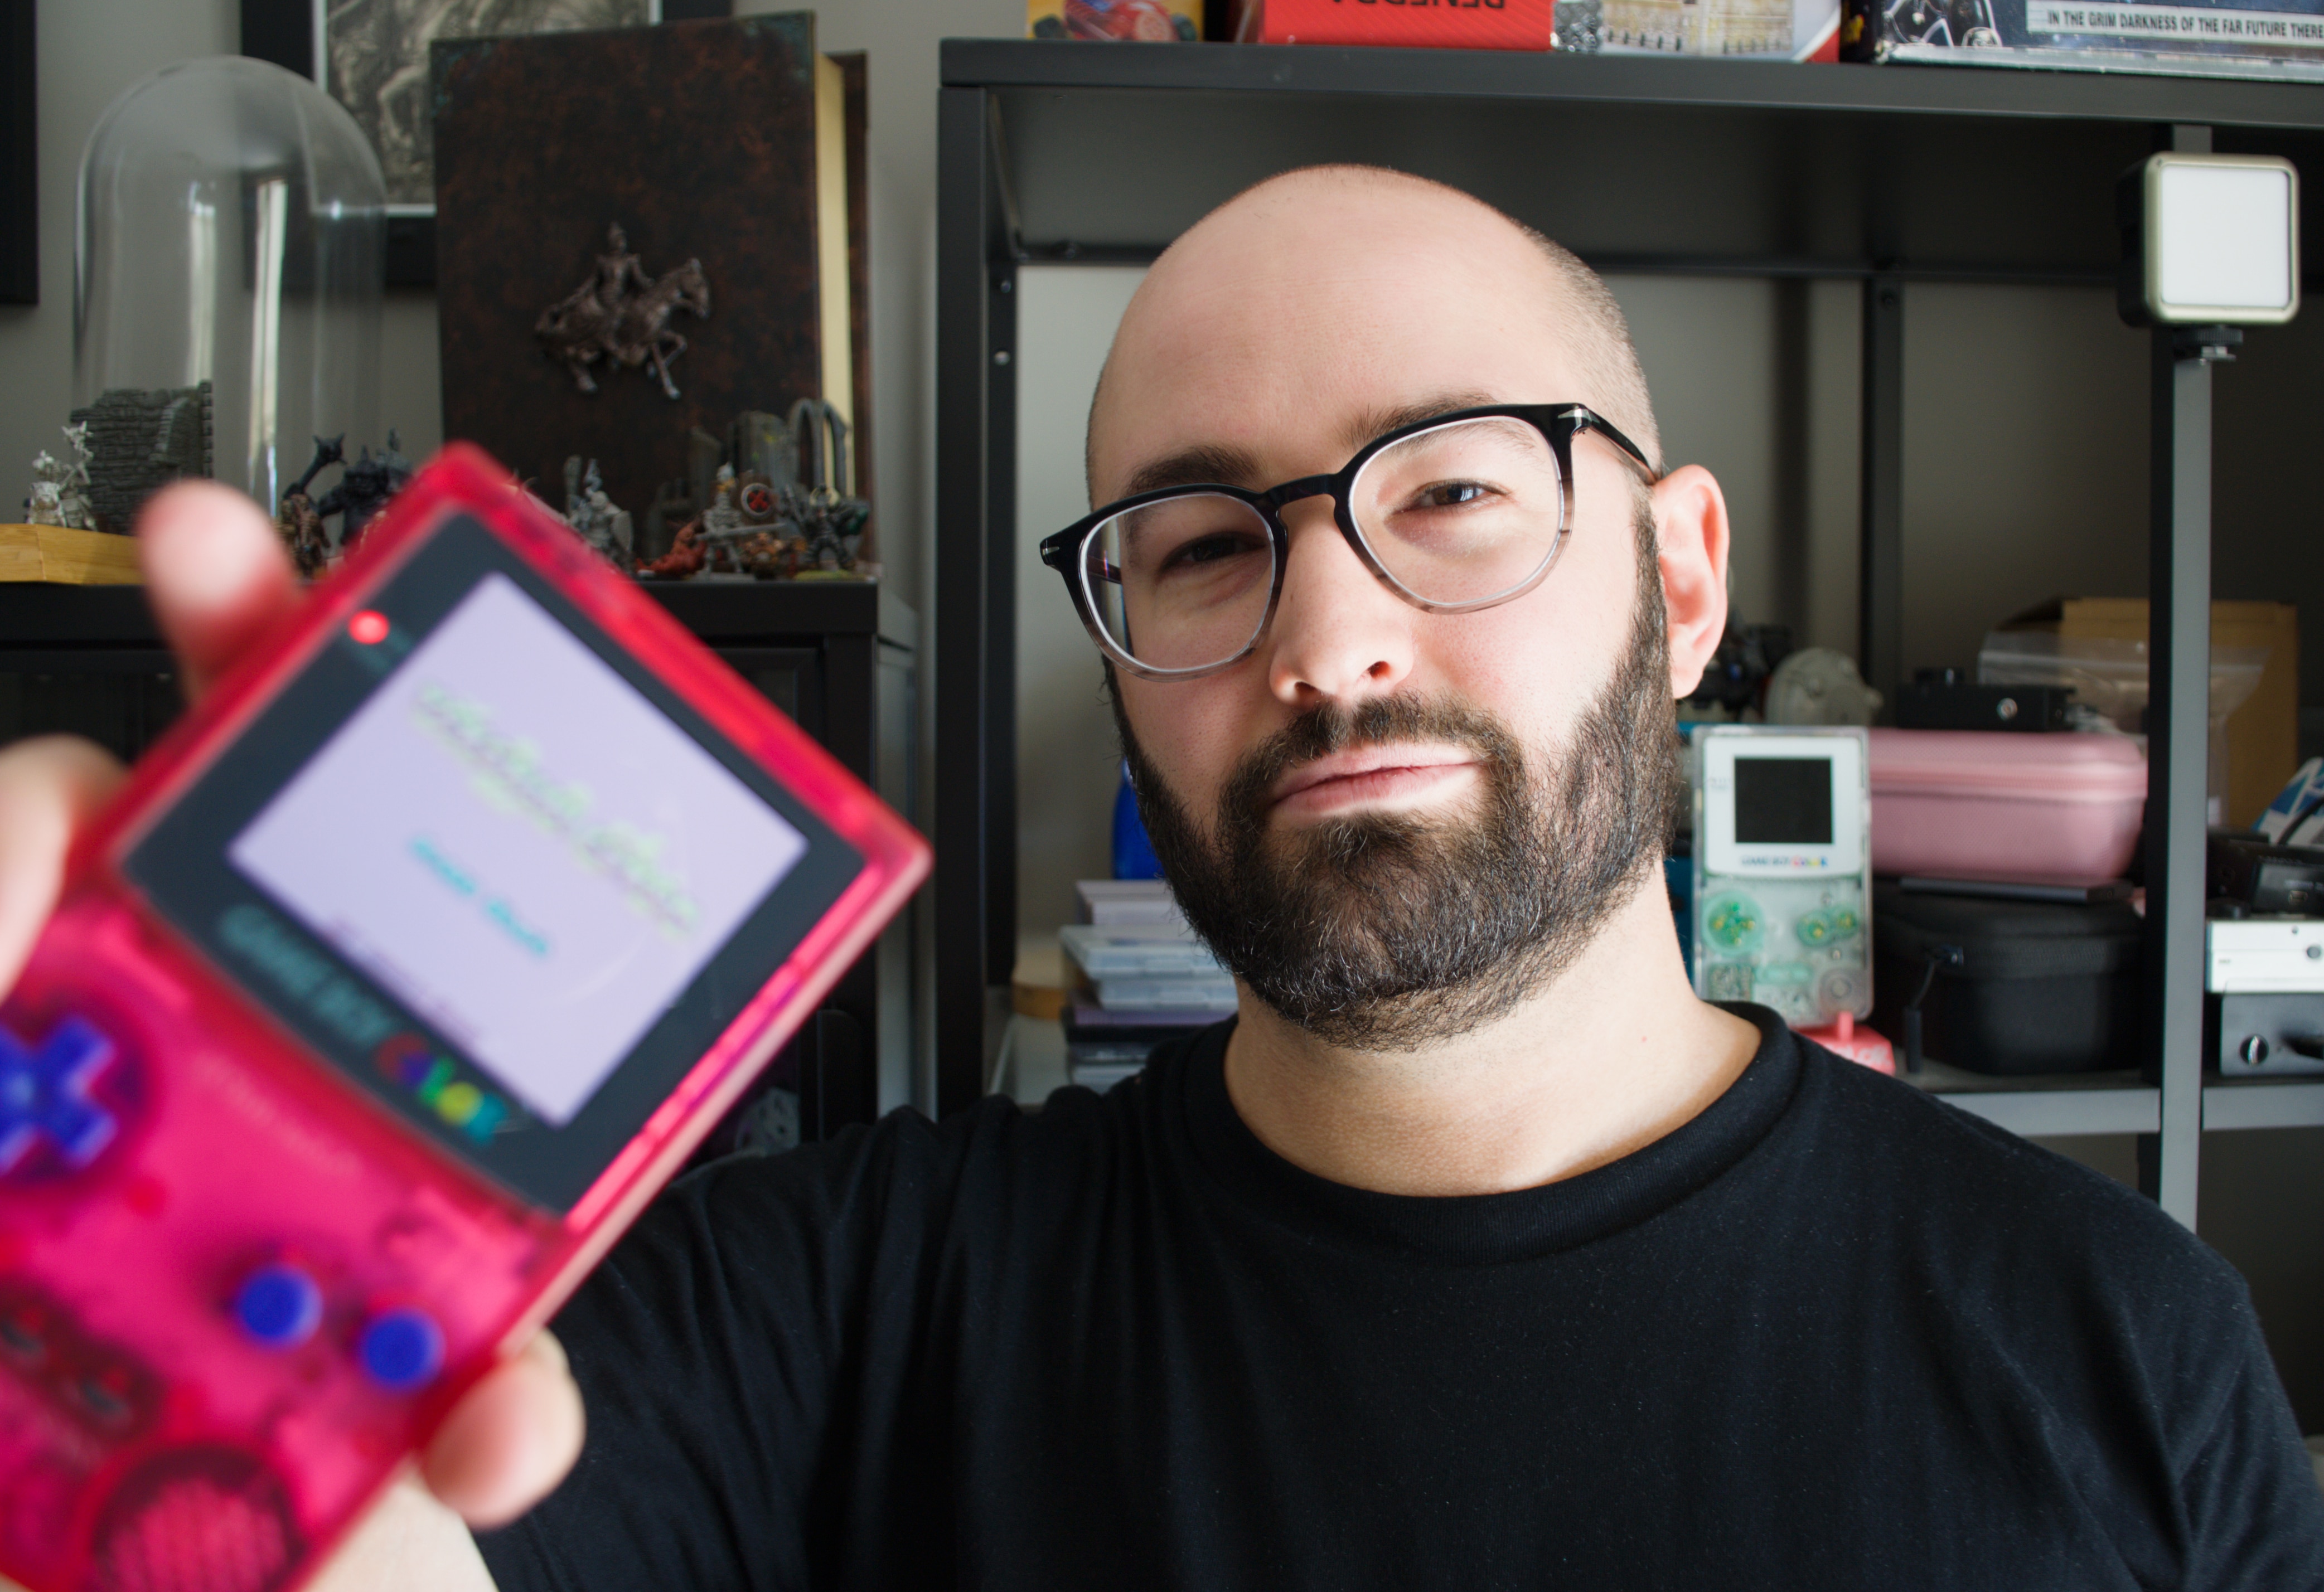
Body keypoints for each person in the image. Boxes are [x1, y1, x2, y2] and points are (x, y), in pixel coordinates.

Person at [3, 166, 2321, 1591]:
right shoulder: (823, 1312)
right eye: (1203, 541)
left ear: (1684, 574)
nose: (1325, 634)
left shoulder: (2125, 1352)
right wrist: (101, 1305)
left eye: (1450, 491)